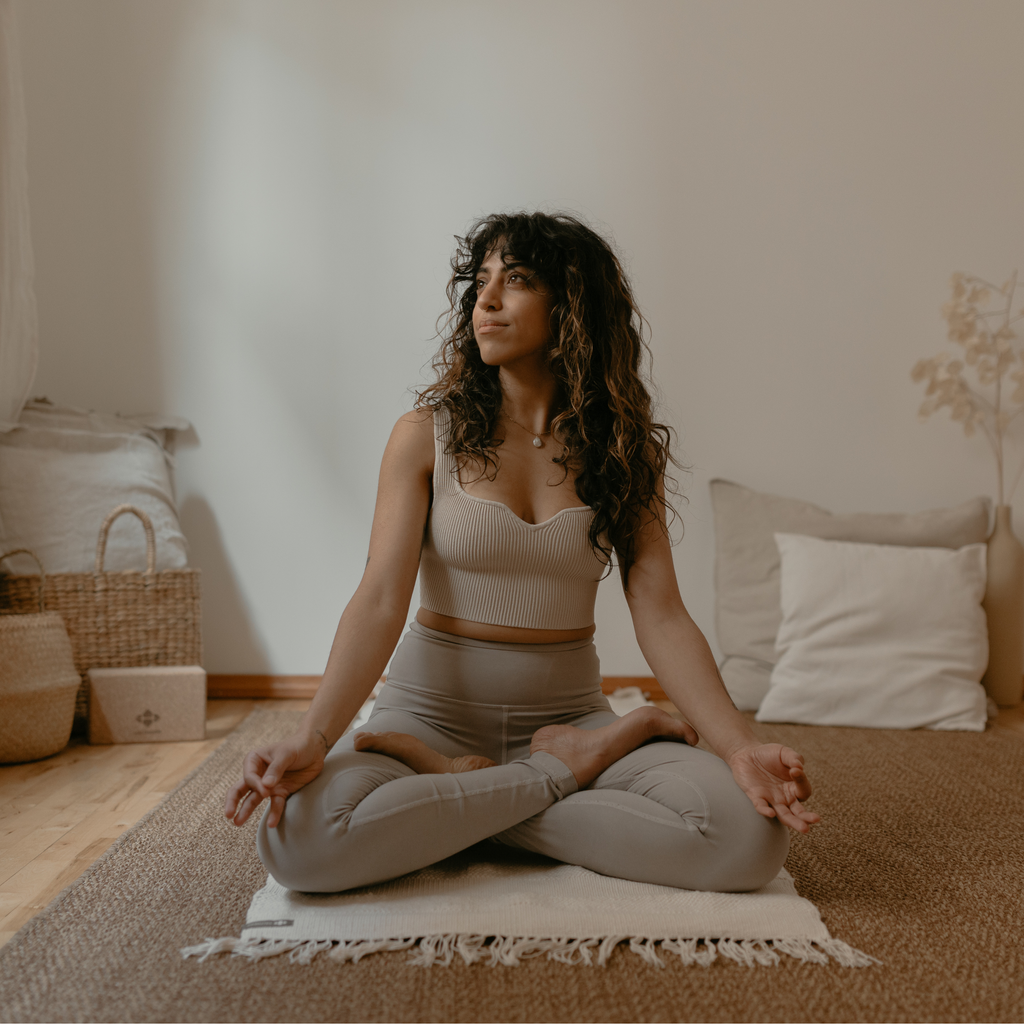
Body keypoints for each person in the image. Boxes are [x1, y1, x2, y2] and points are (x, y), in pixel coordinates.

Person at [225, 211, 819, 894]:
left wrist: (740, 747)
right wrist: (313, 734)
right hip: (428, 716)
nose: (487, 299)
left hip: (572, 713)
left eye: (518, 279)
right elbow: (381, 596)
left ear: (571, 305)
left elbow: (661, 614)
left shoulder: (624, 451)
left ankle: (462, 799)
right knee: (299, 846)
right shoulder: (426, 435)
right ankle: (553, 775)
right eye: (480, 281)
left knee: (745, 840)